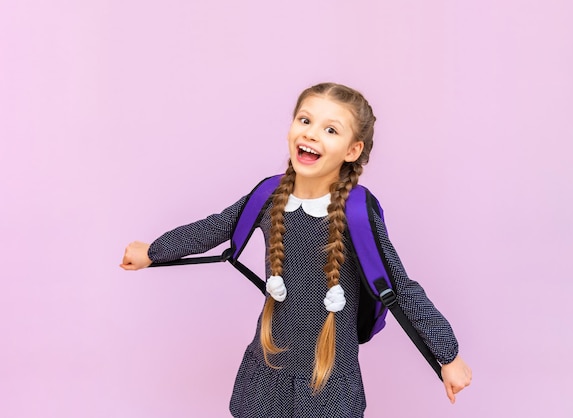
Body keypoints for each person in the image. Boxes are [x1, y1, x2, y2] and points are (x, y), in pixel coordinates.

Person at [120, 82, 471, 417]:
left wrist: (448, 354)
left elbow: (401, 288)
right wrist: (154, 250)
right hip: (267, 364)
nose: (311, 133)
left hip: (328, 376)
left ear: (353, 150)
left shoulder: (357, 213)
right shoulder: (269, 196)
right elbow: (215, 227)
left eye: (331, 130)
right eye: (305, 120)